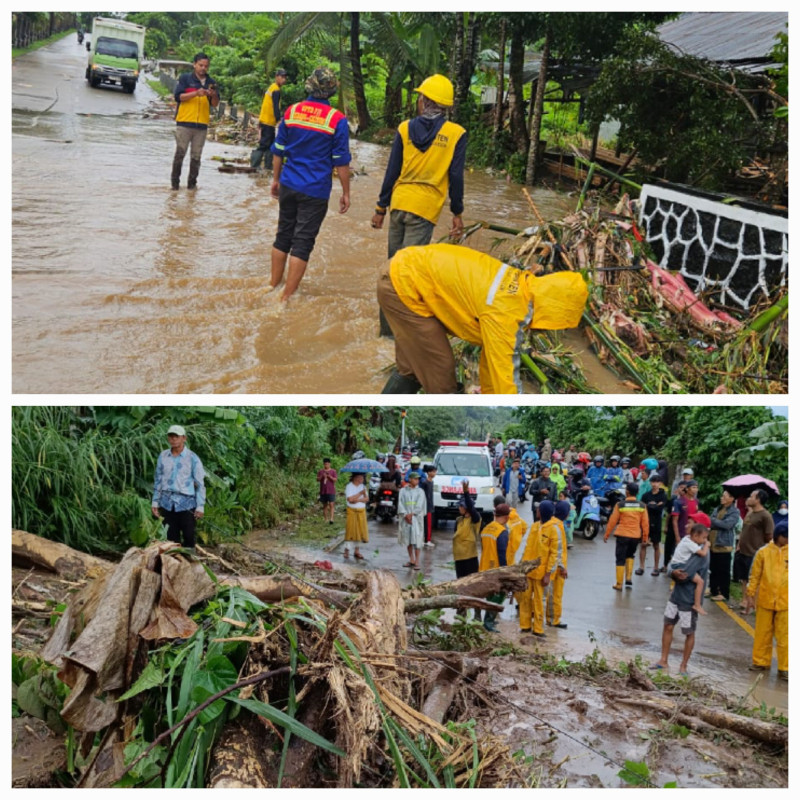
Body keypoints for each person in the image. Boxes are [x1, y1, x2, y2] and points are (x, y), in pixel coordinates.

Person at [377, 243, 588, 394]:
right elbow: (506, 379)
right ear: (555, 310)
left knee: (412, 369)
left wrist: (487, 392)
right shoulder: (507, 314)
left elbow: (492, 358)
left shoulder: (521, 286)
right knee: (442, 375)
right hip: (404, 286)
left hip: (407, 271)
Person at [372, 74, 466, 336]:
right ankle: (399, 336)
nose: (419, 100)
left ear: (425, 100)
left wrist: (381, 208)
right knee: (408, 276)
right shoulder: (456, 134)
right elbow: (456, 177)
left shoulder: (404, 128)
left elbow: (392, 172)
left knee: (393, 270)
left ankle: (386, 332)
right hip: (424, 211)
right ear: (445, 106)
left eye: (420, 96)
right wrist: (457, 213)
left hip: (399, 205)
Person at [269, 67, 351, 302]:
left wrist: (276, 180)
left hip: (288, 183)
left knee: (283, 236)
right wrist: (346, 193)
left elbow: (278, 151)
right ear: (331, 90)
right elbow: (341, 161)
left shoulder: (292, 111)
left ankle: (273, 285)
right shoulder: (337, 119)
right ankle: (286, 298)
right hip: (315, 190)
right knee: (302, 243)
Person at [651, 543, 710, 677]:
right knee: (668, 625)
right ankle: (663, 660)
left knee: (689, 632)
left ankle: (683, 666)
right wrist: (672, 571)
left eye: (690, 522)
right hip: (675, 596)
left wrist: (673, 572)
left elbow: (685, 574)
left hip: (688, 600)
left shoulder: (702, 552)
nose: (686, 525)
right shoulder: (686, 544)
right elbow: (672, 563)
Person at [745, 521, 788, 679]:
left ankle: (786, 668)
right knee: (763, 633)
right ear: (779, 536)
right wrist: (750, 594)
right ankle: (760, 662)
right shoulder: (763, 552)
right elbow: (755, 575)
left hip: (786, 602)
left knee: (785, 636)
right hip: (765, 599)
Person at [151, 424, 206, 549]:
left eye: (176, 436)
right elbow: (158, 480)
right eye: (171, 436)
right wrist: (155, 502)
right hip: (167, 504)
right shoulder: (163, 456)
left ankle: (190, 564)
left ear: (184, 438)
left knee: (189, 536)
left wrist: (200, 506)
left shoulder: (193, 458)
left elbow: (200, 483)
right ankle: (174, 564)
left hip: (186, 504)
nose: (173, 439)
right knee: (171, 539)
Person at [171, 53, 219, 190]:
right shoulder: (186, 79)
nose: (203, 68)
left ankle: (192, 187)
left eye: (206, 66)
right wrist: (196, 93)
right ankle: (174, 186)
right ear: (194, 65)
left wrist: (213, 95)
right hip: (184, 123)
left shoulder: (212, 82)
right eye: (201, 65)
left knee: (196, 157)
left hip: (202, 125)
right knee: (180, 154)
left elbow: (215, 104)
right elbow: (178, 97)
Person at [519, 500, 559, 637]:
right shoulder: (535, 527)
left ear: (541, 512)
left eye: (538, 509)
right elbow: (527, 548)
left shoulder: (553, 530)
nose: (536, 511)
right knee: (525, 598)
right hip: (528, 571)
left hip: (542, 574)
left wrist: (548, 573)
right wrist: (521, 567)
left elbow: (554, 554)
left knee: (539, 601)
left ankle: (538, 628)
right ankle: (525, 625)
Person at [733, 489, 775, 612]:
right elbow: (744, 531)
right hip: (743, 551)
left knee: (754, 580)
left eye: (751, 496)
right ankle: (745, 600)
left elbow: (769, 536)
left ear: (758, 499)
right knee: (744, 578)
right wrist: (739, 545)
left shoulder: (765, 516)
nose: (748, 499)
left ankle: (754, 604)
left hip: (755, 553)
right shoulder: (749, 513)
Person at [603, 482, 648, 590]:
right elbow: (645, 523)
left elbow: (613, 520)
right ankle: (628, 578)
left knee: (620, 558)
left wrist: (607, 534)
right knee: (630, 555)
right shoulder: (642, 506)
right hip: (635, 535)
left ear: (627, 492)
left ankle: (619, 584)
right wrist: (645, 537)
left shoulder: (620, 505)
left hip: (622, 534)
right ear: (637, 493)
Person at [667, 518, 711, 616]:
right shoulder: (693, 545)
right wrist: (706, 545)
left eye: (690, 523)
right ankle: (697, 604)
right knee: (700, 582)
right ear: (695, 535)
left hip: (676, 566)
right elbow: (703, 553)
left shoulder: (686, 539)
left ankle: (697, 604)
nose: (686, 526)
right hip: (680, 567)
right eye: (703, 538)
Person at [452, 480, 482, 619]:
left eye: (462, 506)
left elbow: (471, 507)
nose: (460, 508)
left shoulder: (475, 519)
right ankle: (462, 611)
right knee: (461, 584)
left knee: (473, 585)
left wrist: (466, 492)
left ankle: (477, 612)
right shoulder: (459, 520)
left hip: (470, 557)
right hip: (459, 558)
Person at [479, 503, 511, 632]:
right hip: (495, 569)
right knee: (499, 594)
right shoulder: (502, 532)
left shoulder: (487, 528)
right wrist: (505, 572)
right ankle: (488, 621)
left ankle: (489, 619)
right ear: (507, 517)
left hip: (484, 566)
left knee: (490, 594)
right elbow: (502, 553)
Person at [251, 68, 288, 169]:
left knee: (270, 145)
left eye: (285, 77)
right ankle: (255, 166)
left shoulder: (272, 87)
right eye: (281, 77)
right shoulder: (275, 90)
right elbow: (276, 106)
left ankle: (268, 166)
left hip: (267, 121)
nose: (283, 79)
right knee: (264, 144)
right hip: (268, 122)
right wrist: (279, 120)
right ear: (276, 77)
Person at [707, 489, 740, 601]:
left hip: (724, 544)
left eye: (725, 496)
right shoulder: (718, 509)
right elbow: (710, 521)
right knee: (713, 568)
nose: (722, 498)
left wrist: (713, 521)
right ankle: (713, 589)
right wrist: (714, 521)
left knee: (723, 570)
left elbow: (727, 525)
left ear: (731, 499)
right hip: (713, 542)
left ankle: (724, 593)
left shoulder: (734, 512)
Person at [546, 500, 571, 629]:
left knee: (549, 593)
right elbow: (559, 549)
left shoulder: (550, 523)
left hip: (550, 565)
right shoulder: (559, 527)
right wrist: (562, 567)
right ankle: (554, 619)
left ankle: (549, 617)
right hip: (556, 567)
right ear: (566, 514)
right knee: (556, 594)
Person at [638, 475, 668, 576]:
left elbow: (660, 508)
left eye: (657, 482)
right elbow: (643, 508)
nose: (655, 484)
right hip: (646, 522)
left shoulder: (663, 495)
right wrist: (655, 505)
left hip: (657, 522)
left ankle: (655, 567)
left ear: (660, 483)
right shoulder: (646, 495)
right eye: (653, 482)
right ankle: (641, 566)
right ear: (650, 483)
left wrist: (650, 506)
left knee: (656, 545)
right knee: (643, 544)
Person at [398, 471, 426, 569]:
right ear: (410, 479)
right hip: (406, 518)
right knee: (408, 539)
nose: (417, 481)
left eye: (418, 479)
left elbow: (420, 505)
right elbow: (400, 504)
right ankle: (411, 559)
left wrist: (412, 514)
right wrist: (405, 515)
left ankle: (417, 561)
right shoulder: (403, 491)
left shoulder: (420, 492)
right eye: (415, 479)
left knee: (417, 540)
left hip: (416, 518)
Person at [344, 472, 369, 560]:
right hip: (352, 511)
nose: (363, 480)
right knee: (350, 531)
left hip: (361, 511)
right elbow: (350, 499)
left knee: (360, 531)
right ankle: (347, 550)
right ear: (356, 478)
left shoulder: (363, 486)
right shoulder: (349, 486)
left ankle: (357, 551)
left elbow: (366, 499)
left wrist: (357, 499)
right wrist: (359, 493)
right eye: (361, 478)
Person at [666, 481, 690, 571]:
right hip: (678, 530)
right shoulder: (676, 501)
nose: (683, 490)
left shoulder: (694, 501)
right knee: (674, 551)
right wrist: (677, 536)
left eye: (685, 488)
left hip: (688, 532)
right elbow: (672, 518)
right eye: (681, 487)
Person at [317, 457, 338, 524]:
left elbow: (335, 480)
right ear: (323, 464)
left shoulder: (333, 471)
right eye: (325, 464)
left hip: (331, 490)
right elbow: (317, 479)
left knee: (331, 504)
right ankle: (325, 519)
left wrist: (329, 477)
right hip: (323, 490)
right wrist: (322, 476)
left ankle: (331, 519)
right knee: (325, 505)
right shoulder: (321, 471)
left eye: (327, 464)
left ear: (330, 464)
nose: (326, 465)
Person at [421, 464, 437, 548]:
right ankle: (427, 540)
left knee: (429, 524)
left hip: (430, 506)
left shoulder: (431, 482)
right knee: (427, 524)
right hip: (426, 506)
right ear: (429, 472)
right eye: (434, 472)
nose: (435, 473)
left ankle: (427, 539)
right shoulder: (425, 483)